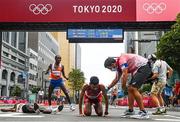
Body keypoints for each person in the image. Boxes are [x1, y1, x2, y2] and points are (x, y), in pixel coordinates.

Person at [104, 53, 152, 119]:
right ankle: (131, 110)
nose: (110, 70)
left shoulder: (121, 60)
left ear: (112, 64)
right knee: (130, 89)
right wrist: (108, 88)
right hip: (138, 69)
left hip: (144, 66)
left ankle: (143, 112)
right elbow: (116, 79)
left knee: (133, 88)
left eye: (109, 68)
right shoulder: (118, 67)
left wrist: (123, 87)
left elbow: (125, 74)